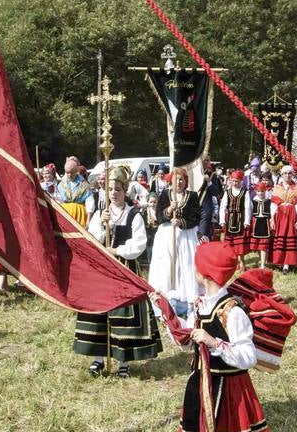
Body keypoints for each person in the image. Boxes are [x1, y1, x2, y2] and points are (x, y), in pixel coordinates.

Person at [164, 242, 279, 432]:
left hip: (228, 393)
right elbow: (187, 341)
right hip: (198, 389)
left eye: (197, 266)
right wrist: (162, 311)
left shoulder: (233, 311)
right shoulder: (199, 303)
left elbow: (247, 357)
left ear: (205, 272)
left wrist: (215, 343)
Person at [73, 167, 162, 377]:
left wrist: (117, 250)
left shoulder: (134, 215)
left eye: (118, 190)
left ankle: (123, 361)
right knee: (99, 313)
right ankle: (98, 359)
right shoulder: (99, 214)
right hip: (103, 269)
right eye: (110, 189)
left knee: (123, 314)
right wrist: (102, 226)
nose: (114, 193)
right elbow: (92, 240)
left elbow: (139, 244)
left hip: (124, 269)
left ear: (125, 192)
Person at [147, 167, 203, 317]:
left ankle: (188, 303)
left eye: (181, 180)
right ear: (170, 180)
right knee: (167, 266)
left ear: (185, 182)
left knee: (186, 265)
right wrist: (168, 210)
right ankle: (167, 301)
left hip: (186, 237)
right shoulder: (165, 194)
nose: (178, 182)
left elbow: (196, 217)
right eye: (175, 179)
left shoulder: (192, 196)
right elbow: (159, 216)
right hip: (166, 235)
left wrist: (181, 222)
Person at [269, 167, 297, 273]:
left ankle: (287, 264)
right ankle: (279, 260)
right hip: (280, 215)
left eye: (289, 173)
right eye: (285, 173)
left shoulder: (296, 188)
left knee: (290, 236)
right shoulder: (277, 188)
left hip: (291, 215)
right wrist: (272, 219)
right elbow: (273, 204)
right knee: (280, 237)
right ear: (282, 174)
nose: (287, 175)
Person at [215, 169, 251, 260]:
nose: (235, 183)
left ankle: (241, 261)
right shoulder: (228, 192)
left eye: (237, 181)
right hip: (230, 219)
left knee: (240, 241)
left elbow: (248, 207)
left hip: (240, 219)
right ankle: (232, 259)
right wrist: (222, 220)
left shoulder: (245, 192)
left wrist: (247, 220)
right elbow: (223, 206)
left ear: (241, 181)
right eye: (233, 181)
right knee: (230, 241)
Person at [55, 157, 92, 227]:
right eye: (67, 173)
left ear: (76, 171)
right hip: (65, 214)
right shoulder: (61, 185)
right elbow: (58, 201)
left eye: (71, 172)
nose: (69, 175)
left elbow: (90, 203)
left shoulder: (85, 185)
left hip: (79, 215)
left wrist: (88, 220)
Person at [247, 180, 272, 269]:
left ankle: (262, 264)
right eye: (258, 191)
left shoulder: (269, 202)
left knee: (264, 245)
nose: (260, 193)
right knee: (257, 244)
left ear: (265, 191)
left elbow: (272, 213)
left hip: (265, 223)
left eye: (262, 191)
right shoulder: (253, 201)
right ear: (255, 192)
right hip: (256, 223)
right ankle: (261, 260)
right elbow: (249, 212)